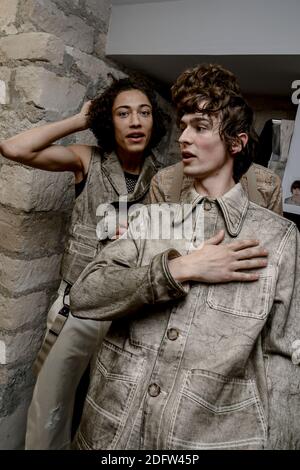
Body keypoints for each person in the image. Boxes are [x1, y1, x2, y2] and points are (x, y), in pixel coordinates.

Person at [69, 64, 300, 450]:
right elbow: (85, 295)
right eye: (183, 125)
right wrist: (179, 268)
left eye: (201, 126)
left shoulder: (278, 238)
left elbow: (285, 361)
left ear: (237, 142)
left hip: (204, 437)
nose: (184, 138)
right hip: (114, 432)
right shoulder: (151, 218)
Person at [0, 76, 168, 449]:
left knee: (109, 409)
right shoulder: (87, 160)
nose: (135, 121)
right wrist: (79, 121)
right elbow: (13, 148)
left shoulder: (165, 181)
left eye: (143, 113)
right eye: (123, 114)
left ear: (155, 122)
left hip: (129, 313)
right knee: (50, 408)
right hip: (74, 307)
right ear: (109, 122)